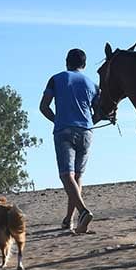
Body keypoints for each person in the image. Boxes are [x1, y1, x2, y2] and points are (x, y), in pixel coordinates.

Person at [39, 48, 97, 233]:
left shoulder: (56, 79)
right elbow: (100, 109)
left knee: (66, 175)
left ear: (67, 62)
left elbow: (44, 106)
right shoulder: (92, 84)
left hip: (64, 130)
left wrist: (57, 119)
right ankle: (70, 220)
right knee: (77, 176)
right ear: (84, 64)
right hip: (86, 131)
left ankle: (83, 211)